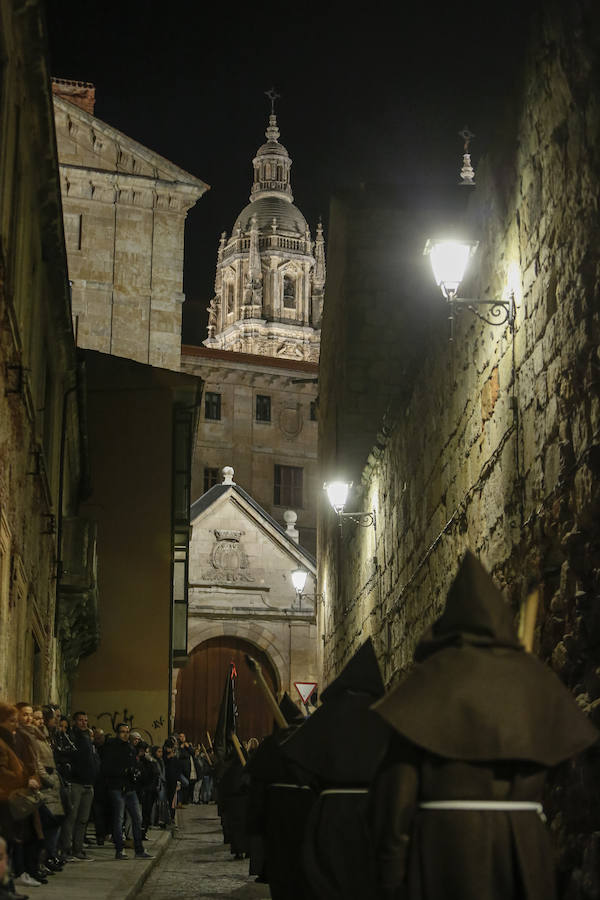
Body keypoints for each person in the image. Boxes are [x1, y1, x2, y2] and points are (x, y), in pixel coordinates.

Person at [368, 551, 599, 900]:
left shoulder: (428, 686)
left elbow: (396, 796)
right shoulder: (534, 681)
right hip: (525, 850)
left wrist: (390, 875)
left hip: (446, 850)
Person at [101, 723, 152, 860]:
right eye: (123, 732)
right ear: (117, 733)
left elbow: (134, 766)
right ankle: (119, 850)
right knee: (119, 819)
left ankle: (139, 849)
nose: (125, 734)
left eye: (127, 731)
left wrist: (136, 772)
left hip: (130, 788)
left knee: (137, 818)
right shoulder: (111, 747)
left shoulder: (130, 748)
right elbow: (106, 768)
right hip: (116, 787)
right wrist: (123, 771)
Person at [59, 711, 98, 861]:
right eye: (80, 720)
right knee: (72, 818)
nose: (83, 722)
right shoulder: (72, 738)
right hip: (76, 783)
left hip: (89, 784)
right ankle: (67, 850)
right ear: (75, 722)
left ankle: (78, 849)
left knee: (83, 819)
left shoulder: (88, 738)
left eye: (85, 720)